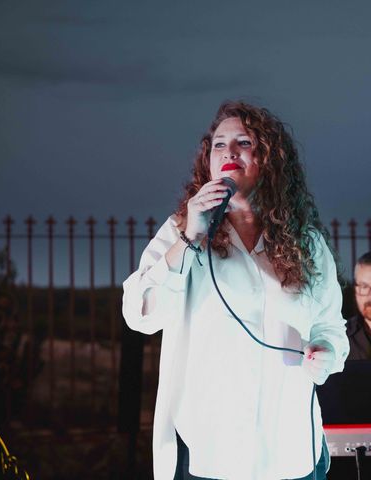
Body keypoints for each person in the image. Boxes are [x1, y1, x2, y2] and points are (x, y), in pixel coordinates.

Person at [122, 101, 349, 480]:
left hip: (289, 448)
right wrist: (189, 236)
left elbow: (332, 329)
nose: (228, 152)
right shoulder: (181, 230)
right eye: (218, 145)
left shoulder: (306, 243)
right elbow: (140, 314)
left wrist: (326, 352)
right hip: (209, 450)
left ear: (270, 158)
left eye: (243, 142)